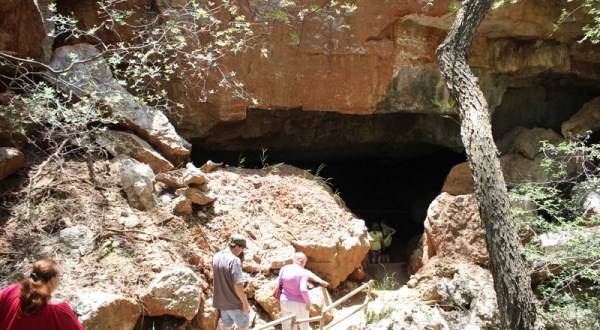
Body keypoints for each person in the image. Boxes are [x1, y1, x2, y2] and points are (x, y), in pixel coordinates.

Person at [0, 259, 85, 330]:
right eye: (59, 276)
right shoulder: (59, 309)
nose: (60, 279)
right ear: (53, 280)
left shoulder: (10, 290)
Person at [277, 252, 329, 330]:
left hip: (285, 301)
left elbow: (279, 283)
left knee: (288, 327)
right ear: (302, 261)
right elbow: (303, 289)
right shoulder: (303, 272)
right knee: (304, 326)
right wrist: (308, 302)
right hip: (300, 303)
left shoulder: (284, 269)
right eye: (305, 262)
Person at [212, 234, 251, 330]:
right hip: (234, 303)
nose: (242, 251)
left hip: (221, 302)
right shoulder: (234, 260)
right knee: (244, 327)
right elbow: (237, 284)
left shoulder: (216, 256)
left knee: (226, 326)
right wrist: (245, 304)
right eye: (242, 248)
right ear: (237, 246)